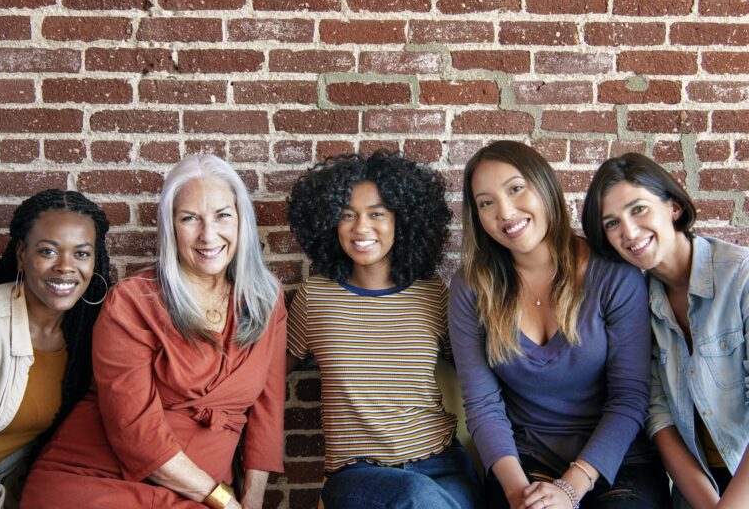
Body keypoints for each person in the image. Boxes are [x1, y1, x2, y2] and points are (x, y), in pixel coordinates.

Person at [21, 155, 287, 509]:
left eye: (223, 215)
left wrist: (251, 500)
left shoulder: (266, 299)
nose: (209, 234)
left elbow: (268, 413)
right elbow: (135, 433)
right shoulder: (132, 303)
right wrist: (224, 500)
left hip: (199, 495)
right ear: (170, 226)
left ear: (242, 221)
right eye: (190, 218)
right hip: (95, 481)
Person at [449, 140, 670, 509]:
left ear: (546, 186)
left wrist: (570, 488)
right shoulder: (471, 287)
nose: (505, 212)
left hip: (617, 461)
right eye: (486, 202)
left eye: (516, 188)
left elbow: (629, 396)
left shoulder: (613, 275)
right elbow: (482, 404)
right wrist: (519, 494)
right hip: (524, 463)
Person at [286, 151, 483, 509]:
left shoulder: (432, 292)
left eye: (376, 213)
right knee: (416, 497)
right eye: (347, 215)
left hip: (440, 464)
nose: (361, 227)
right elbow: (266, 378)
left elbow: (475, 373)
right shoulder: (315, 297)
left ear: (402, 221)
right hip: (357, 475)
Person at [581, 152, 749, 509]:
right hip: (701, 486)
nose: (628, 231)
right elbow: (659, 418)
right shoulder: (637, 305)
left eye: (638, 209)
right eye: (611, 223)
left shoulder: (741, 278)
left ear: (673, 207)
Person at [0, 189, 111, 509]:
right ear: (22, 254)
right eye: (49, 251)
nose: (66, 267)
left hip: (9, 479)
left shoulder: (87, 332)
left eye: (81, 254)